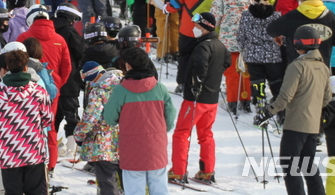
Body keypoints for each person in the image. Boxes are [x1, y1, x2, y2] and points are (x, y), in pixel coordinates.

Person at [256, 26, 332, 195]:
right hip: (313, 126)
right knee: (308, 166)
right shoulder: (324, 68)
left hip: (296, 125)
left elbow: (285, 97)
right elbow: (326, 99)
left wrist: (267, 113)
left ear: (298, 43)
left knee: (290, 165)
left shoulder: (297, 66)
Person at [104, 47, 176, 195]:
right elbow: (171, 113)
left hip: (131, 148)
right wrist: (163, 129)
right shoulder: (159, 88)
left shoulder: (121, 90)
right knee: (159, 186)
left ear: (129, 66)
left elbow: (109, 118)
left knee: (134, 187)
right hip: (156, 145)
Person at [169, 13, 230, 183]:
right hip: (211, 99)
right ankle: (207, 171)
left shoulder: (203, 47)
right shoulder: (219, 44)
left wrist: (196, 85)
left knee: (181, 133)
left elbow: (200, 66)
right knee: (206, 134)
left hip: (195, 99)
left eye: (197, 26)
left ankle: (178, 171)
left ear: (204, 27)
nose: (194, 29)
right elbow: (227, 62)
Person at [0, 49, 52, 195]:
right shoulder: (38, 91)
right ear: (26, 67)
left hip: (8, 153)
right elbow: (47, 119)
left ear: (8, 67)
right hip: (34, 152)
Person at [17, 4, 71, 171]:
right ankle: (51, 164)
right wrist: (58, 84)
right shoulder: (60, 39)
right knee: (50, 127)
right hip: (51, 90)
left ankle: (28, 161)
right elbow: (67, 66)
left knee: (25, 125)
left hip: (25, 88)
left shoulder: (23, 37)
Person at [165, 0, 221, 94]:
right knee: (208, 57)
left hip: (188, 26)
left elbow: (176, 3)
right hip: (208, 28)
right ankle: (206, 83)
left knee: (185, 55)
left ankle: (183, 83)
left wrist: (167, 8)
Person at [74, 62, 123, 195]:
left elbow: (91, 117)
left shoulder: (98, 90)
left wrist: (79, 134)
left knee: (107, 179)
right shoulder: (123, 83)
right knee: (127, 178)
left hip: (104, 142)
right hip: (125, 138)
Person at [210, 0, 253, 113]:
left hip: (229, 40)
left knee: (232, 72)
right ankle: (246, 100)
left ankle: (233, 101)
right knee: (246, 71)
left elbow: (214, 17)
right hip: (248, 38)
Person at [237, 0, 284, 120]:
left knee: (258, 83)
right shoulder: (276, 15)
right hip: (273, 56)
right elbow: (282, 37)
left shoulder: (246, 15)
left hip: (253, 55)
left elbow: (241, 37)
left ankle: (261, 111)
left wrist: (243, 48)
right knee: (275, 83)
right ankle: (280, 112)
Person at [52, 3, 84, 152]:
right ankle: (72, 148)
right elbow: (81, 52)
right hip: (69, 81)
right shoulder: (70, 32)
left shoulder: (49, 29)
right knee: (71, 115)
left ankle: (51, 146)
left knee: (53, 117)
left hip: (50, 81)